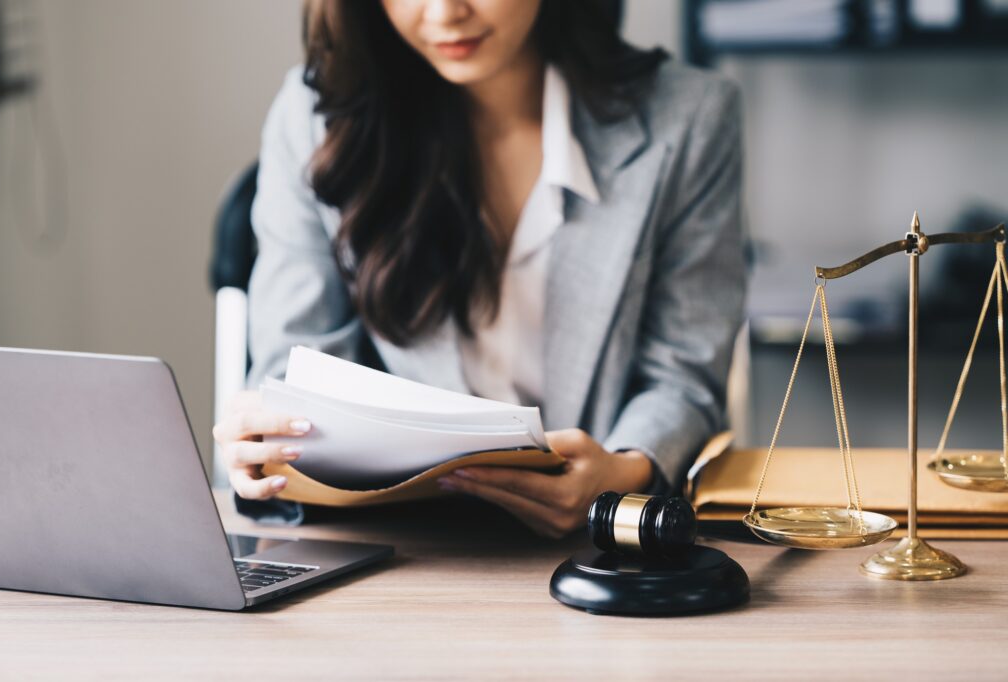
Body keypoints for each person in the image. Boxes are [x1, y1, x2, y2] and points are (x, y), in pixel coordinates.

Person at [213, 0, 746, 538]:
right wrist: (266, 440)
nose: (445, 13)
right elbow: (295, 370)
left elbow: (683, 375)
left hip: (600, 551)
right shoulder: (312, 117)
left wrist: (623, 474)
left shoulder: (692, 116)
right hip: (403, 550)